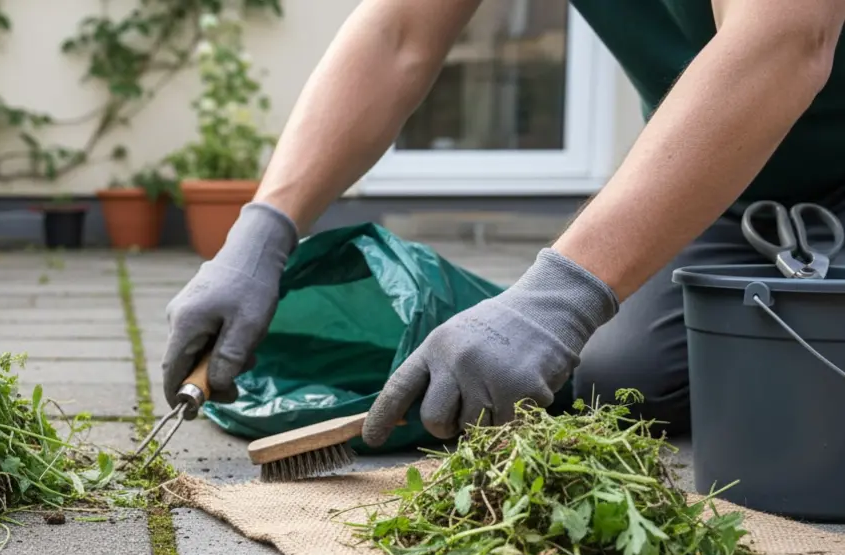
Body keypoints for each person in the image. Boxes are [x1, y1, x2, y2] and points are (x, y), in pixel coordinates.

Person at [160, 0, 845, 446]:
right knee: (626, 378)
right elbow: (397, 34)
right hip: (726, 193)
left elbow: (785, 38)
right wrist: (263, 233)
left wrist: (560, 297)